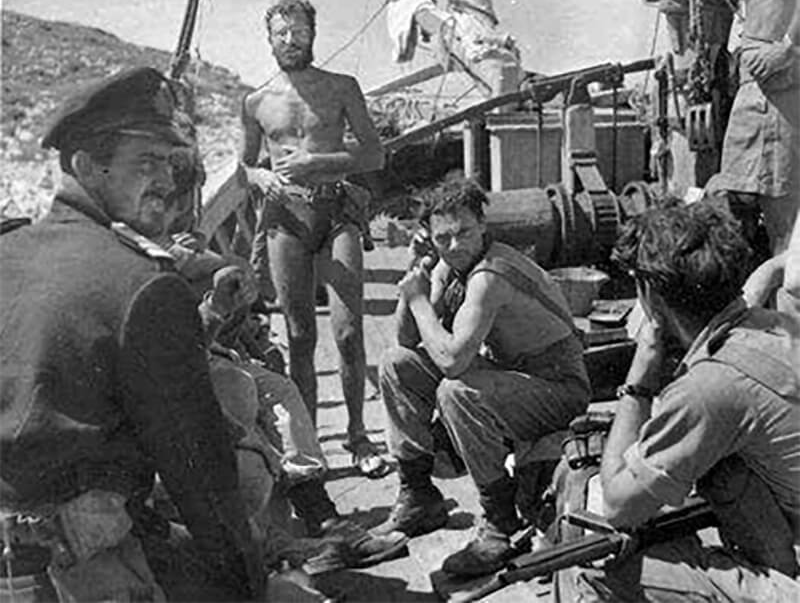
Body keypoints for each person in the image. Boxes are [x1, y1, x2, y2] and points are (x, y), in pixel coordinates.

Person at [0, 68, 263, 602]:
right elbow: (202, 477)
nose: (166, 181)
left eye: (169, 162)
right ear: (83, 166)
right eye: (146, 163)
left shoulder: (10, 252)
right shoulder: (142, 288)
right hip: (79, 568)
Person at [157, 171, 409, 576]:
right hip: (171, 373)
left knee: (279, 387)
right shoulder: (144, 252)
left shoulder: (182, 244)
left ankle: (319, 516)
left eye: (191, 199)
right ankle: (284, 545)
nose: (188, 210)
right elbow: (171, 346)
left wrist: (253, 338)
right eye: (179, 200)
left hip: (210, 351)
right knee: (242, 394)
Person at [556, 199, 800, 601]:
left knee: (592, 569)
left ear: (649, 293)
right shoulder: (779, 327)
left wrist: (639, 380)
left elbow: (618, 504)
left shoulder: (709, 388)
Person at [377, 178, 591, 577]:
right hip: (512, 378)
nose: (455, 245)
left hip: (558, 386)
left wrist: (420, 300)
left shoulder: (490, 274)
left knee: (458, 392)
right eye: (443, 238)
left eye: (463, 233)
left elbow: (454, 361)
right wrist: (415, 279)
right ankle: (419, 495)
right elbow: (406, 339)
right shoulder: (448, 264)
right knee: (396, 364)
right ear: (429, 236)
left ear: (482, 224)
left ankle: (498, 521)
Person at [241, 0, 390, 479]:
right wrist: (257, 178)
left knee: (348, 332)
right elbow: (246, 165)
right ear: (269, 39)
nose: (290, 40)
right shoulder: (256, 102)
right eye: (281, 33)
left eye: (298, 31)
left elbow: (373, 156)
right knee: (301, 335)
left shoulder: (341, 88)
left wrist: (317, 163)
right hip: (286, 218)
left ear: (313, 33)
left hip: (337, 213)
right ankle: (309, 449)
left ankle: (358, 436)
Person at [677, 0, 800, 254]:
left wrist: (789, 46)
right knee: (745, 206)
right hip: (763, 97)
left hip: (775, 99)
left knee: (786, 234)